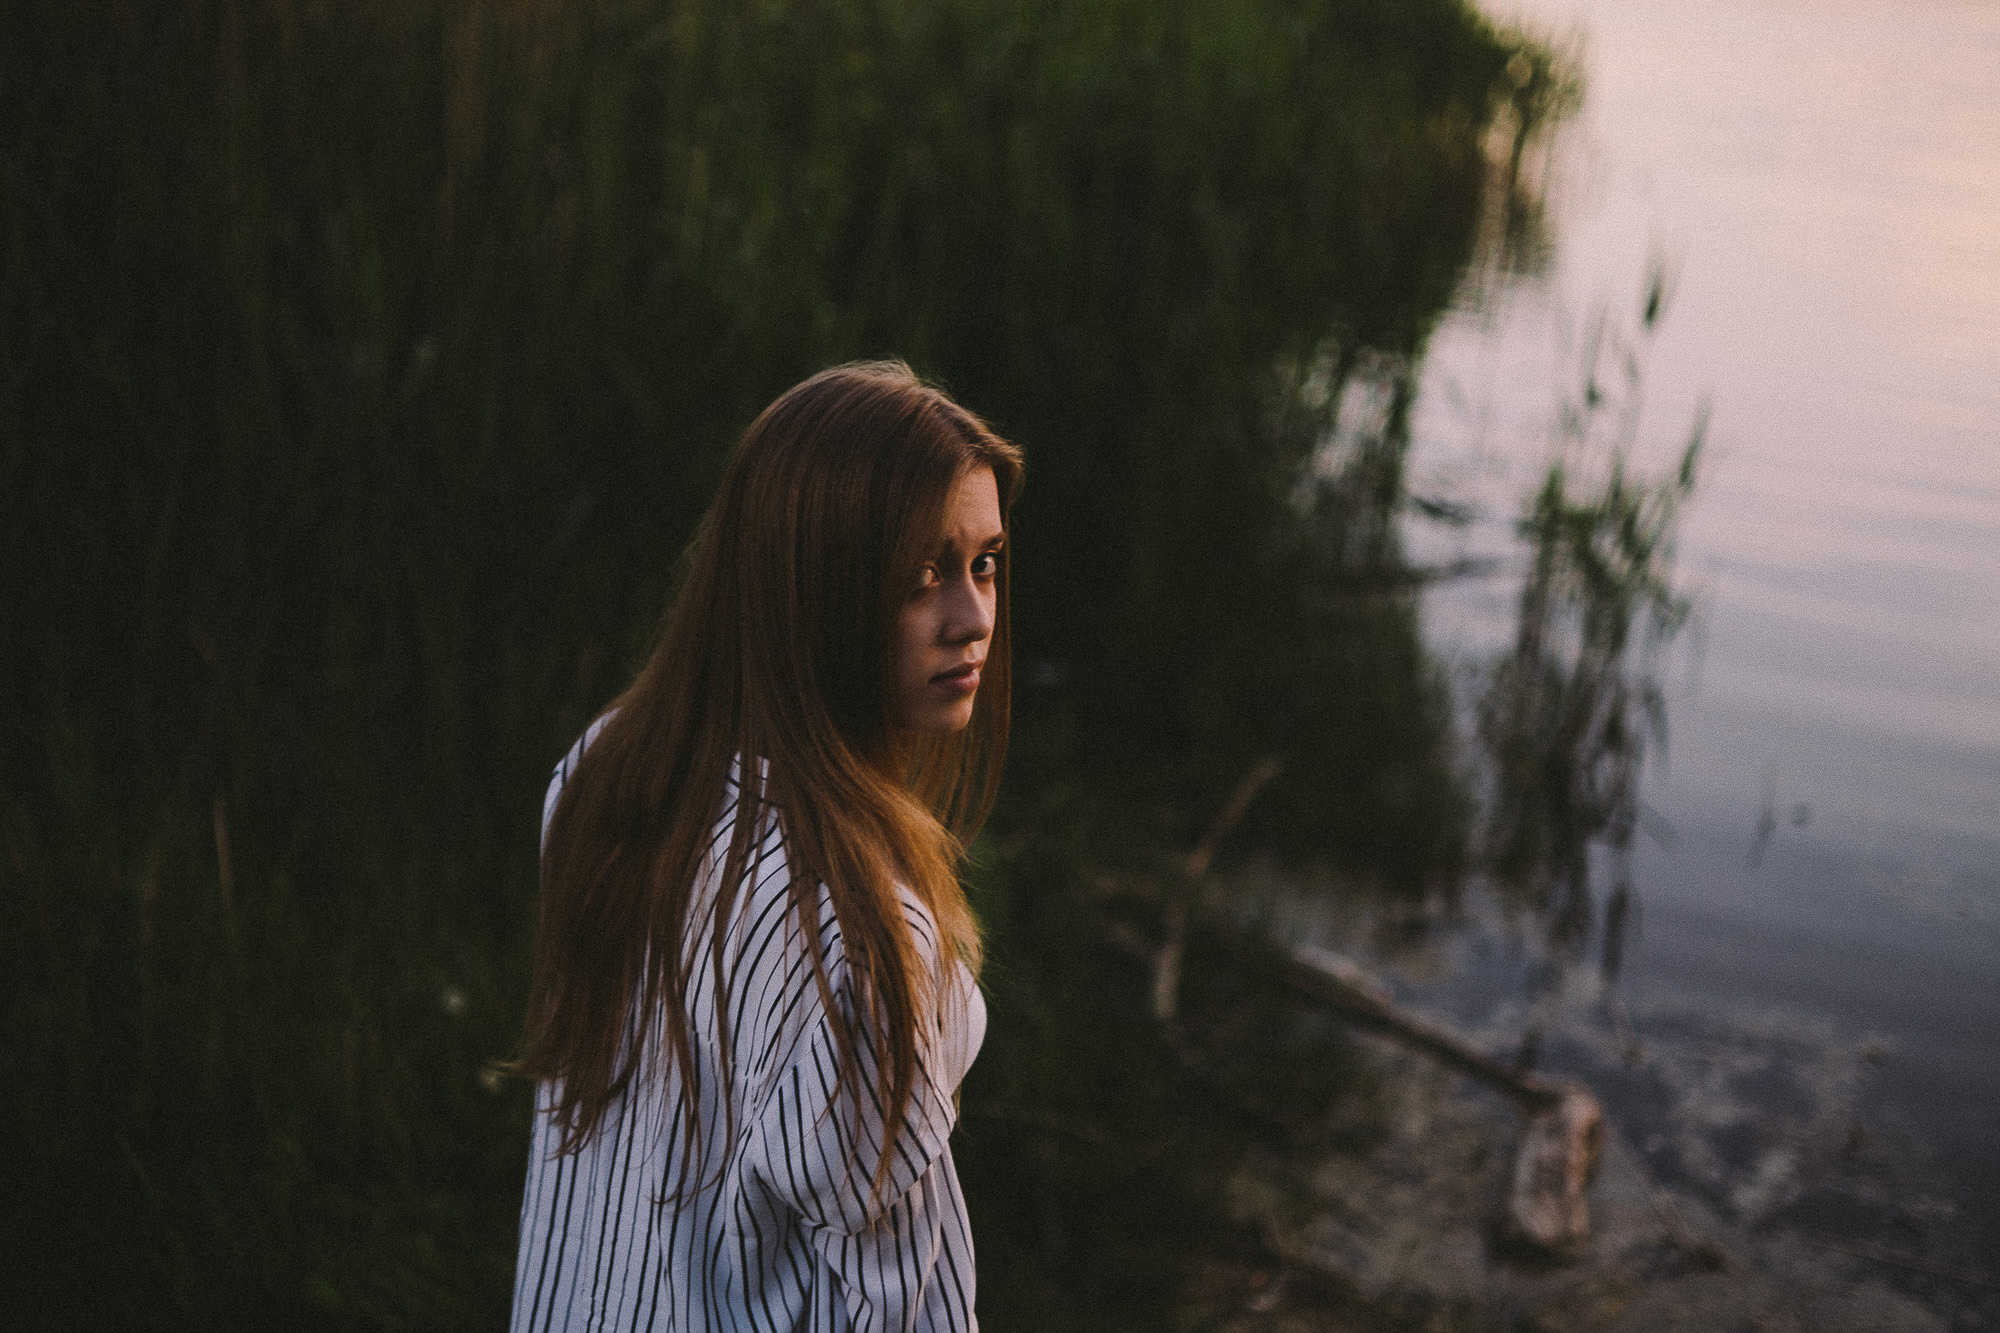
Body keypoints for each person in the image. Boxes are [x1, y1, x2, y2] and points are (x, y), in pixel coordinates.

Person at [508, 362, 1021, 1333]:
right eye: (922, 572)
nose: (973, 618)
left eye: (984, 561)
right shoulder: (865, 943)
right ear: (816, 587)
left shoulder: (602, 777)